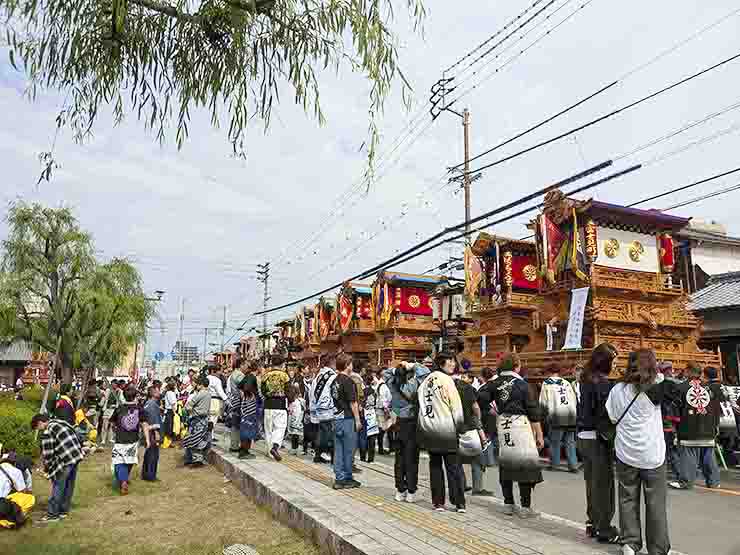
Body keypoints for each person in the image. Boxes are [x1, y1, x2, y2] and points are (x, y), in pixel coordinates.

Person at [606, 349, 672, 555]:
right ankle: (658, 548)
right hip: (652, 453)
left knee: (627, 499)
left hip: (626, 451)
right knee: (656, 504)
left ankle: (630, 543)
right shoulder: (656, 387)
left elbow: (612, 417)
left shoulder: (617, 389)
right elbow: (663, 378)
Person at [488, 353, 544, 518]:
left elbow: (480, 399)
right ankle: (525, 507)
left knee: (506, 463)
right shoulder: (522, 385)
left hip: (504, 425)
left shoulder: (494, 383)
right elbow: (533, 412)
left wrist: (494, 411)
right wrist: (539, 435)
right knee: (524, 466)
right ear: (516, 366)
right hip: (520, 426)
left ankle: (508, 504)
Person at [577, 343, 619, 541]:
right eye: (614, 360)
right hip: (597, 437)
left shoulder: (586, 378)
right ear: (605, 361)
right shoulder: (601, 382)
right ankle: (604, 527)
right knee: (603, 484)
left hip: (584, 436)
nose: (616, 363)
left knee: (592, 484)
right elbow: (606, 413)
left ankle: (593, 523)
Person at [417, 353, 466, 513]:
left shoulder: (425, 382)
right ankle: (459, 503)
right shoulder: (446, 380)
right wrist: (460, 427)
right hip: (447, 429)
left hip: (431, 429)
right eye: (450, 360)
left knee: (436, 466)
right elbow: (456, 406)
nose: (453, 363)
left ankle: (438, 502)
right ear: (441, 363)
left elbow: (422, 408)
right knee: (453, 467)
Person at [669, 364, 725, 490]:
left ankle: (686, 481)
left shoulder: (681, 388)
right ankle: (714, 481)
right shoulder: (709, 388)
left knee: (688, 455)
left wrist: (675, 426)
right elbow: (716, 408)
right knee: (708, 455)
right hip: (708, 426)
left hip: (689, 427)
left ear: (688, 372)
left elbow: (675, 410)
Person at [31, 413, 85, 522]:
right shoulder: (60, 422)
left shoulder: (47, 432)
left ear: (40, 423)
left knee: (58, 486)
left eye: (37, 428)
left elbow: (48, 454)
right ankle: (63, 511)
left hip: (65, 460)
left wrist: (47, 469)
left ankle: (52, 515)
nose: (39, 430)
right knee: (69, 485)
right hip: (75, 456)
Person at [383, 360, 423, 503]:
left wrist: (397, 368)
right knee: (411, 459)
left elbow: (385, 373)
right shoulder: (412, 385)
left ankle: (400, 490)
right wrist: (412, 365)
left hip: (398, 423)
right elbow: (425, 373)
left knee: (399, 459)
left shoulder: (392, 384)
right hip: (411, 423)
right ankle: (411, 491)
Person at [331, 354, 362, 489]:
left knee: (338, 449)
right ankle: (347, 477)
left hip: (336, 418)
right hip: (348, 419)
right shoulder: (348, 381)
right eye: (351, 363)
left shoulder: (334, 381)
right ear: (347, 365)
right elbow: (353, 402)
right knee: (349, 450)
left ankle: (339, 477)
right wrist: (358, 420)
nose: (352, 365)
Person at [539, 364, 578, 472]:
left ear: (548, 372)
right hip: (570, 415)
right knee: (570, 441)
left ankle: (554, 464)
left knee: (555, 441)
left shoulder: (547, 384)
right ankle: (573, 465)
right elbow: (574, 400)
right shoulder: (566, 383)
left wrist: (542, 416)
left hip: (557, 415)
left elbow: (543, 402)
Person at [456, 367, 488, 496]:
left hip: (455, 427)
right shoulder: (470, 389)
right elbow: (475, 407)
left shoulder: (452, 388)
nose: (463, 378)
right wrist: (478, 418)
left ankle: (461, 485)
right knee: (477, 458)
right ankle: (477, 488)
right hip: (470, 427)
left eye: (465, 376)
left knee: (457, 459)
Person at [111, 385, 141, 495]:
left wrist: (114, 429)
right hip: (133, 440)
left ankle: (123, 481)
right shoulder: (139, 408)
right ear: (135, 396)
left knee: (118, 461)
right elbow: (144, 423)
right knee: (129, 460)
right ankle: (124, 478)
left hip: (120, 439)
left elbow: (112, 423)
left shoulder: (119, 408)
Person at [309, 357, 338, 464]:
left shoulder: (318, 376)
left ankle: (318, 455)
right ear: (332, 363)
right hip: (328, 408)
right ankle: (328, 455)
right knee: (329, 434)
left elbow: (312, 392)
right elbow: (335, 392)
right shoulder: (332, 376)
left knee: (321, 432)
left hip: (318, 407)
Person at [261, 364, 291, 461]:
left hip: (268, 404)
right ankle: (275, 446)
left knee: (268, 429)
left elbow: (263, 390)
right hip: (280, 404)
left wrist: (269, 394)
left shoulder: (265, 375)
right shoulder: (285, 375)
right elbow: (288, 390)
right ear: (282, 364)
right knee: (280, 427)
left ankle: (270, 451)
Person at [658, 362, 682, 480]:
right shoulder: (678, 384)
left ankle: (677, 472)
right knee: (672, 447)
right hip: (676, 418)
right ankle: (678, 471)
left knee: (668, 447)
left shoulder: (661, 384)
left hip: (665, 418)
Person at [183, 376, 212, 467]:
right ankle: (195, 459)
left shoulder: (202, 393)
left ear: (201, 385)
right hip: (202, 419)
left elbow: (189, 405)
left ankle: (195, 459)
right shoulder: (208, 393)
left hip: (198, 419)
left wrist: (191, 411)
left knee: (195, 438)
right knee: (199, 438)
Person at [0, 452, 34, 529]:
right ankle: (10, 520)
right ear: (15, 463)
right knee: (29, 498)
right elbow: (23, 491)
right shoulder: (16, 471)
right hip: (1, 504)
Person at [141, 385, 162, 481]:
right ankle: (150, 476)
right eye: (158, 391)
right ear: (153, 393)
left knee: (149, 453)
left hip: (148, 432)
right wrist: (157, 433)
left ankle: (146, 474)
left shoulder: (147, 403)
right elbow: (154, 421)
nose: (160, 393)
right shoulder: (153, 404)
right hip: (152, 433)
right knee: (153, 455)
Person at [238, 373, 259, 459]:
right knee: (249, 435)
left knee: (244, 434)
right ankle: (244, 452)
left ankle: (243, 450)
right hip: (251, 417)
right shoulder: (253, 394)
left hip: (244, 416)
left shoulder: (242, 393)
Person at [360, 372, 379, 463]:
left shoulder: (362, 392)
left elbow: (360, 404)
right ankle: (371, 458)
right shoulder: (375, 392)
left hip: (364, 414)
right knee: (372, 437)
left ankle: (362, 457)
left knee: (363, 437)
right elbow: (379, 403)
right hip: (373, 414)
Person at [374, 368, 393, 455]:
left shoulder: (383, 384)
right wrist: (386, 409)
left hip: (383, 409)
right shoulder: (382, 385)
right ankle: (382, 448)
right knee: (383, 429)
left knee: (386, 428)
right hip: (382, 409)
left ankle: (388, 447)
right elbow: (383, 398)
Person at [227, 364, 245, 453]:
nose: (246, 366)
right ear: (241, 364)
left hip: (234, 400)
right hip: (239, 401)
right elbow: (243, 388)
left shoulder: (232, 375)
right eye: (245, 364)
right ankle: (236, 445)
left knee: (235, 424)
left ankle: (234, 444)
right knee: (238, 424)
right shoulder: (239, 375)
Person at [206, 365, 228, 441]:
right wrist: (226, 400)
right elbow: (220, 391)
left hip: (207, 399)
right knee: (213, 419)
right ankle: (210, 436)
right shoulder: (216, 380)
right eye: (219, 371)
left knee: (209, 418)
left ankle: (209, 435)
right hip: (215, 400)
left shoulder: (206, 378)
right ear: (213, 371)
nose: (220, 373)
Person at [98, 380, 119, 447]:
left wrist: (116, 406)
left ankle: (110, 438)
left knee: (112, 425)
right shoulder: (108, 390)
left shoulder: (119, 391)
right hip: (107, 409)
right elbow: (104, 399)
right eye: (112, 384)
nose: (113, 385)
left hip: (114, 410)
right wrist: (101, 404)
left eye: (114, 384)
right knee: (105, 425)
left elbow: (120, 400)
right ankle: (103, 439)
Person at [287, 384, 305, 454]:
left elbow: (292, 411)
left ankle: (294, 448)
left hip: (295, 420)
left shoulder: (295, 402)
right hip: (297, 420)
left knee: (295, 435)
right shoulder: (300, 401)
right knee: (295, 435)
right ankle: (295, 448)